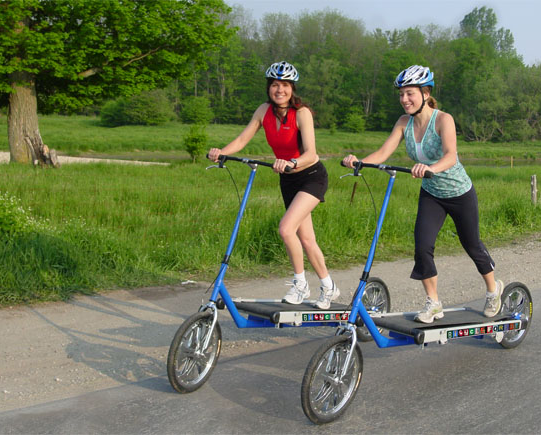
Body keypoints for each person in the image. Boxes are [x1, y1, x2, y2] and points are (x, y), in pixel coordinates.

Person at [342, 65, 503, 323]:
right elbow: (383, 153)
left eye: (410, 94)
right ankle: (433, 303)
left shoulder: (443, 119)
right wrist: (359, 161)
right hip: (432, 194)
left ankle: (494, 290)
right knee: (422, 246)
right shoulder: (403, 123)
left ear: (425, 93)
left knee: (472, 245)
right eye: (401, 94)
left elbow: (451, 156)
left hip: (459, 193)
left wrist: (430, 168)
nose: (404, 99)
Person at [208, 61, 340, 309]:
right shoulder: (263, 111)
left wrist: (291, 161)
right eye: (275, 85)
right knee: (307, 239)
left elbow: (311, 154)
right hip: (288, 179)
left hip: (311, 176)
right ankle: (329, 286)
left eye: (285, 85)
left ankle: (300, 284)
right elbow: (242, 139)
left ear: (292, 89)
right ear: (269, 87)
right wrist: (221, 152)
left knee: (286, 229)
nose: (280, 90)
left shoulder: (302, 113)